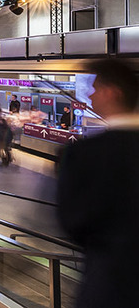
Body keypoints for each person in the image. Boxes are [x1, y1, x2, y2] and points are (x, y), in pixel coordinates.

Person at [58, 59, 139, 308]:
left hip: (108, 285)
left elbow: (73, 222)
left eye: (95, 88)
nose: (91, 95)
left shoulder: (83, 154)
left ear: (113, 92)